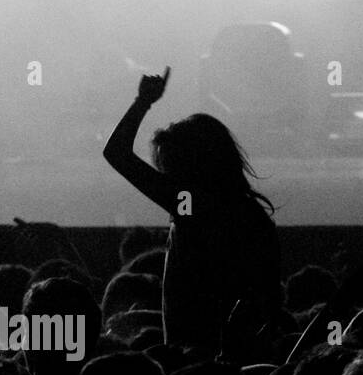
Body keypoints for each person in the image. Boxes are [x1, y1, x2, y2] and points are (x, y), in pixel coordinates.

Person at [102, 67, 281, 355]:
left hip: (197, 361)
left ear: (190, 167)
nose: (165, 175)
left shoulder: (193, 206)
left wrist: (142, 102)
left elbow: (117, 154)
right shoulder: (252, 217)